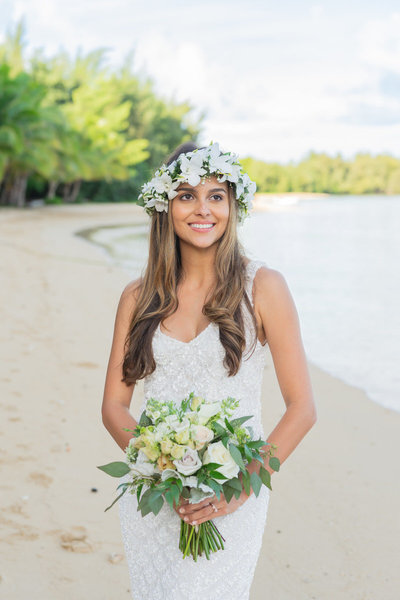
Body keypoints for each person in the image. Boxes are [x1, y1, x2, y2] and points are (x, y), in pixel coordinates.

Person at [101, 141, 317, 599]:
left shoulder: (264, 287)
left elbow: (302, 408)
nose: (203, 209)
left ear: (233, 205)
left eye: (216, 195)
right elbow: (115, 406)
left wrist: (242, 487)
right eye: (186, 195)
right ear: (166, 206)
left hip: (233, 492)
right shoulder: (137, 297)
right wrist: (160, 469)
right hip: (157, 495)